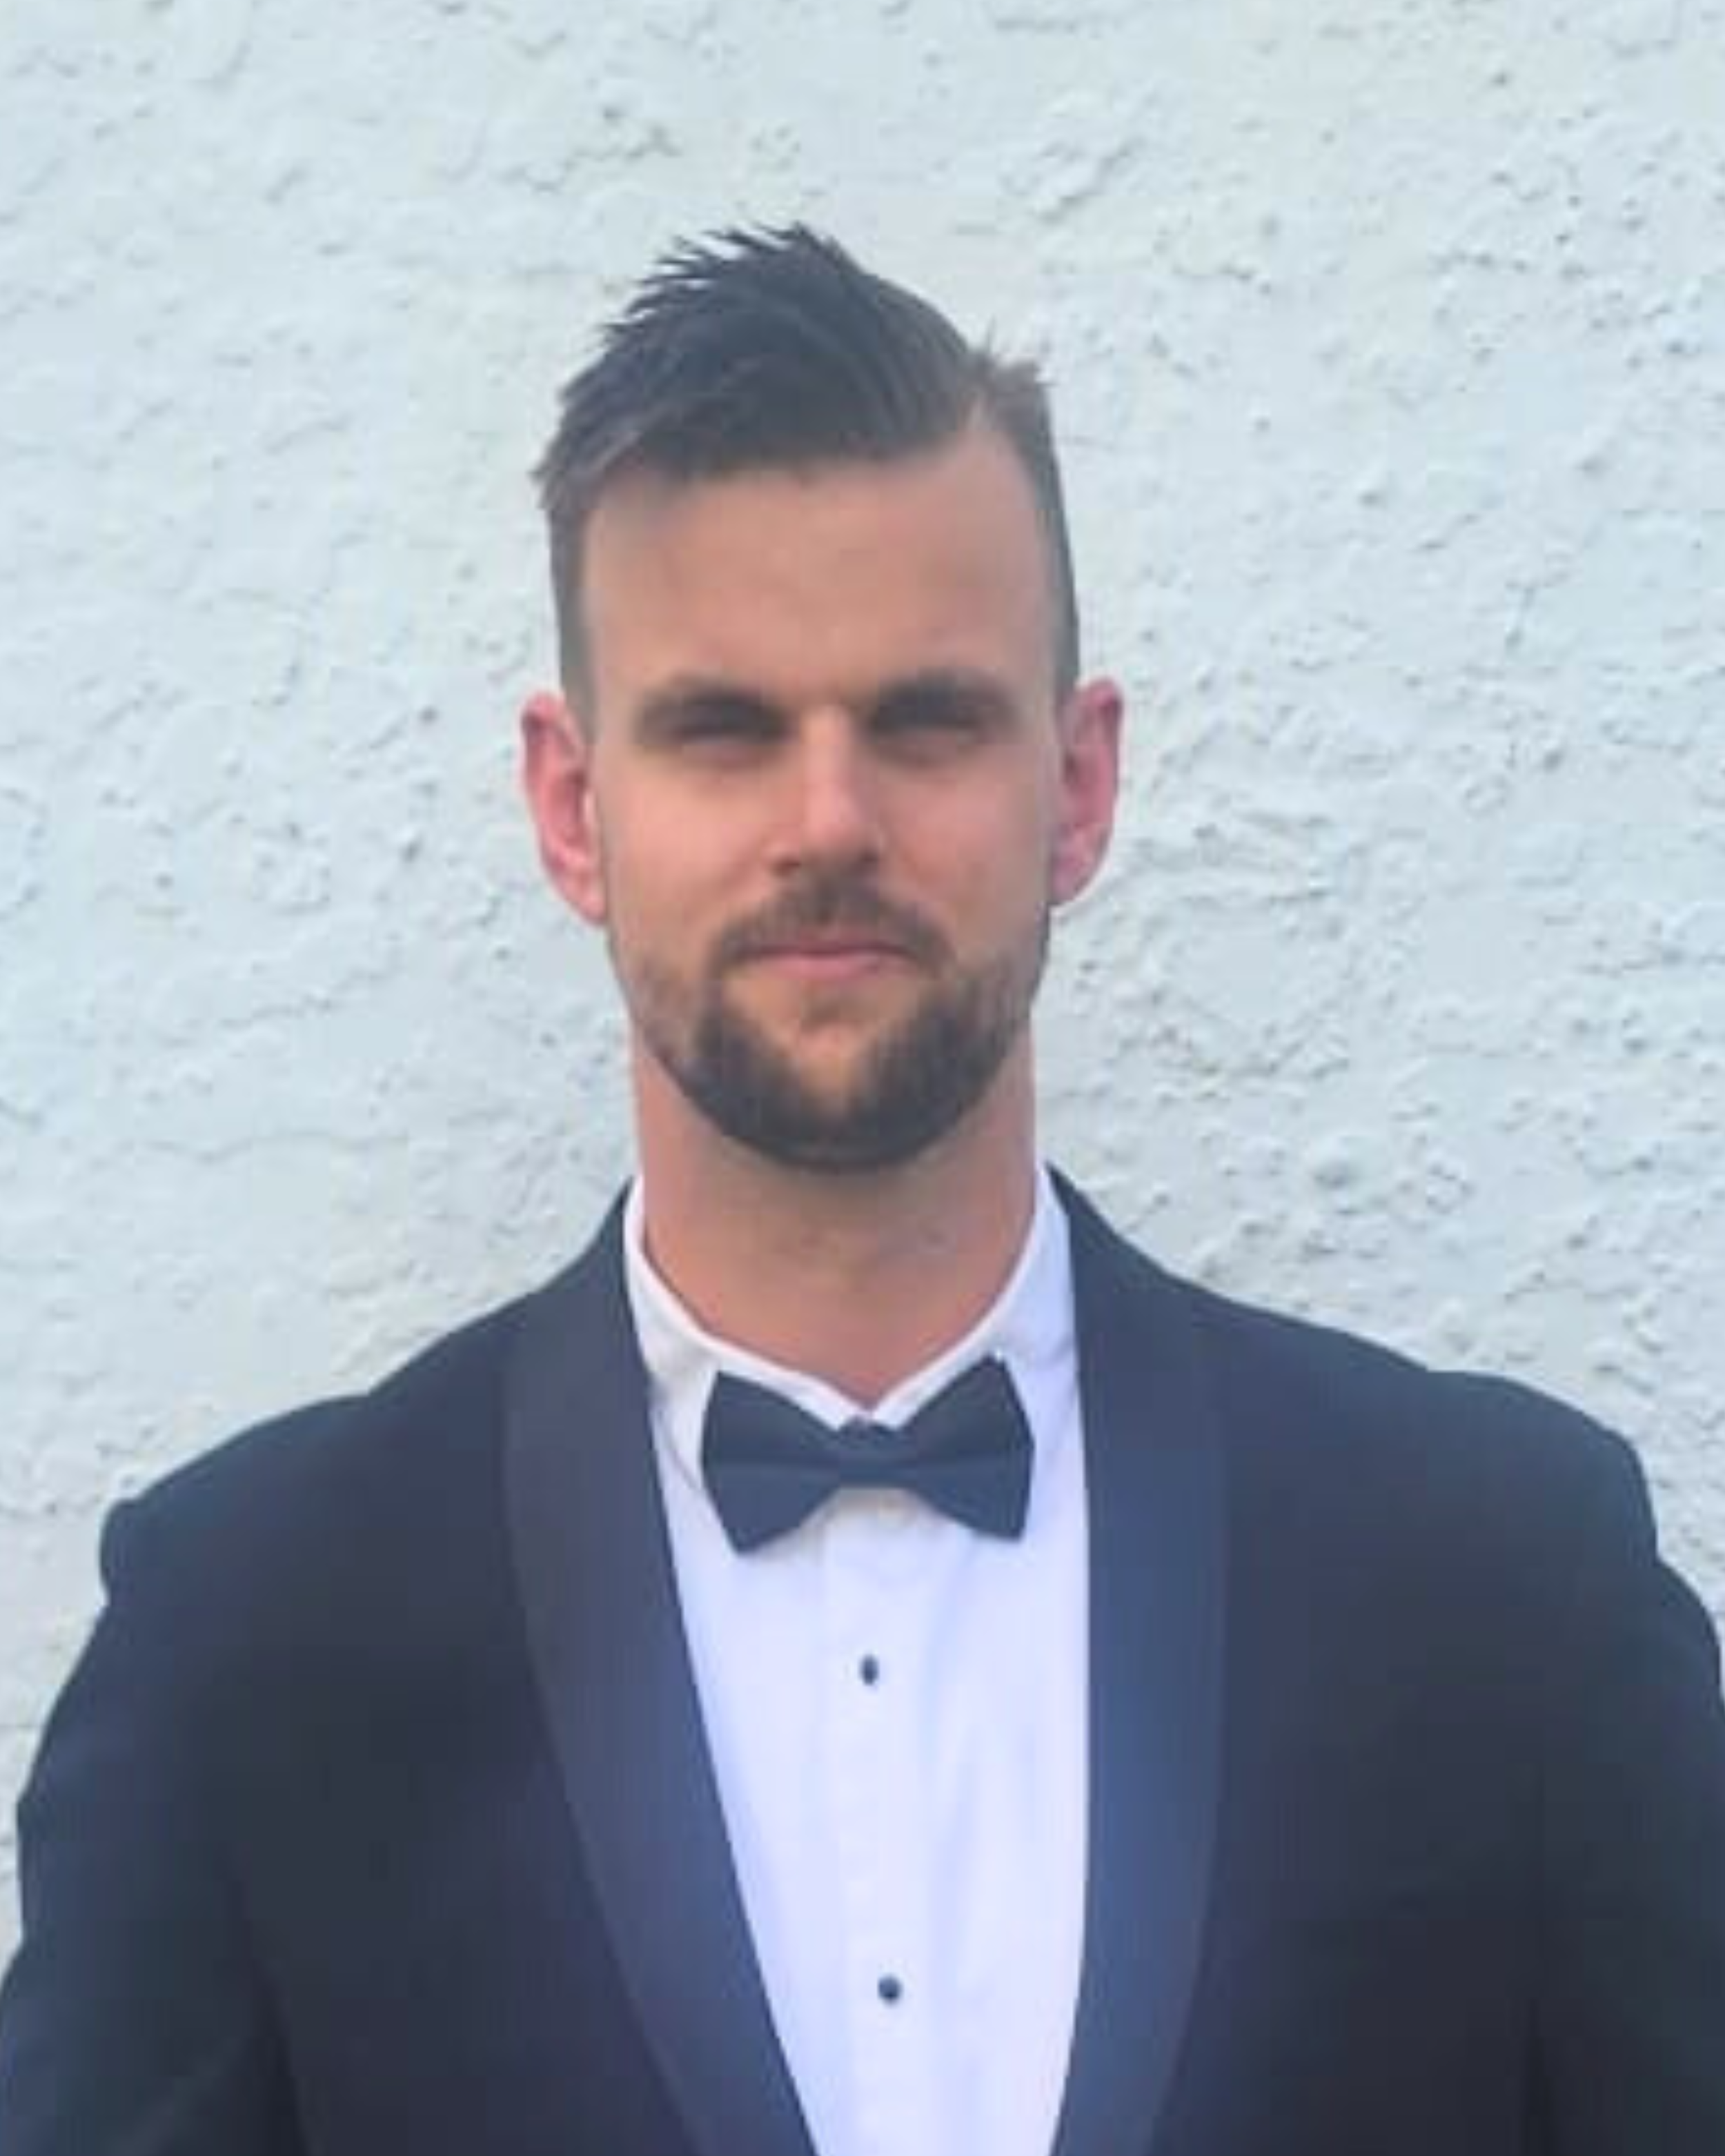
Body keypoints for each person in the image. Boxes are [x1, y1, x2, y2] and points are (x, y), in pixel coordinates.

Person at [0, 226, 1720, 2156]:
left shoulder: (1511, 1587)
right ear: (575, 806)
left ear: (1077, 783)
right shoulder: (240, 1646)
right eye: (723, 727)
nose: (828, 820)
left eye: (924, 719)